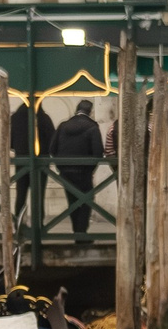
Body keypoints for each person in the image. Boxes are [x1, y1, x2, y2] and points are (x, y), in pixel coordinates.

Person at [52, 99, 104, 239]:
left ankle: (77, 231)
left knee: (72, 201)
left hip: (65, 172)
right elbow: (98, 152)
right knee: (87, 201)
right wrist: (90, 169)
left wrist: (60, 166)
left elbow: (52, 148)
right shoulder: (92, 127)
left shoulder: (63, 126)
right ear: (90, 112)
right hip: (84, 172)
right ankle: (81, 234)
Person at [8, 98, 55, 228]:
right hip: (41, 164)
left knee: (21, 193)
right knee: (38, 195)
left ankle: (19, 223)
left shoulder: (15, 118)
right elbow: (52, 141)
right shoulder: (44, 118)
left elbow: (10, 142)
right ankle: (38, 223)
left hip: (21, 162)